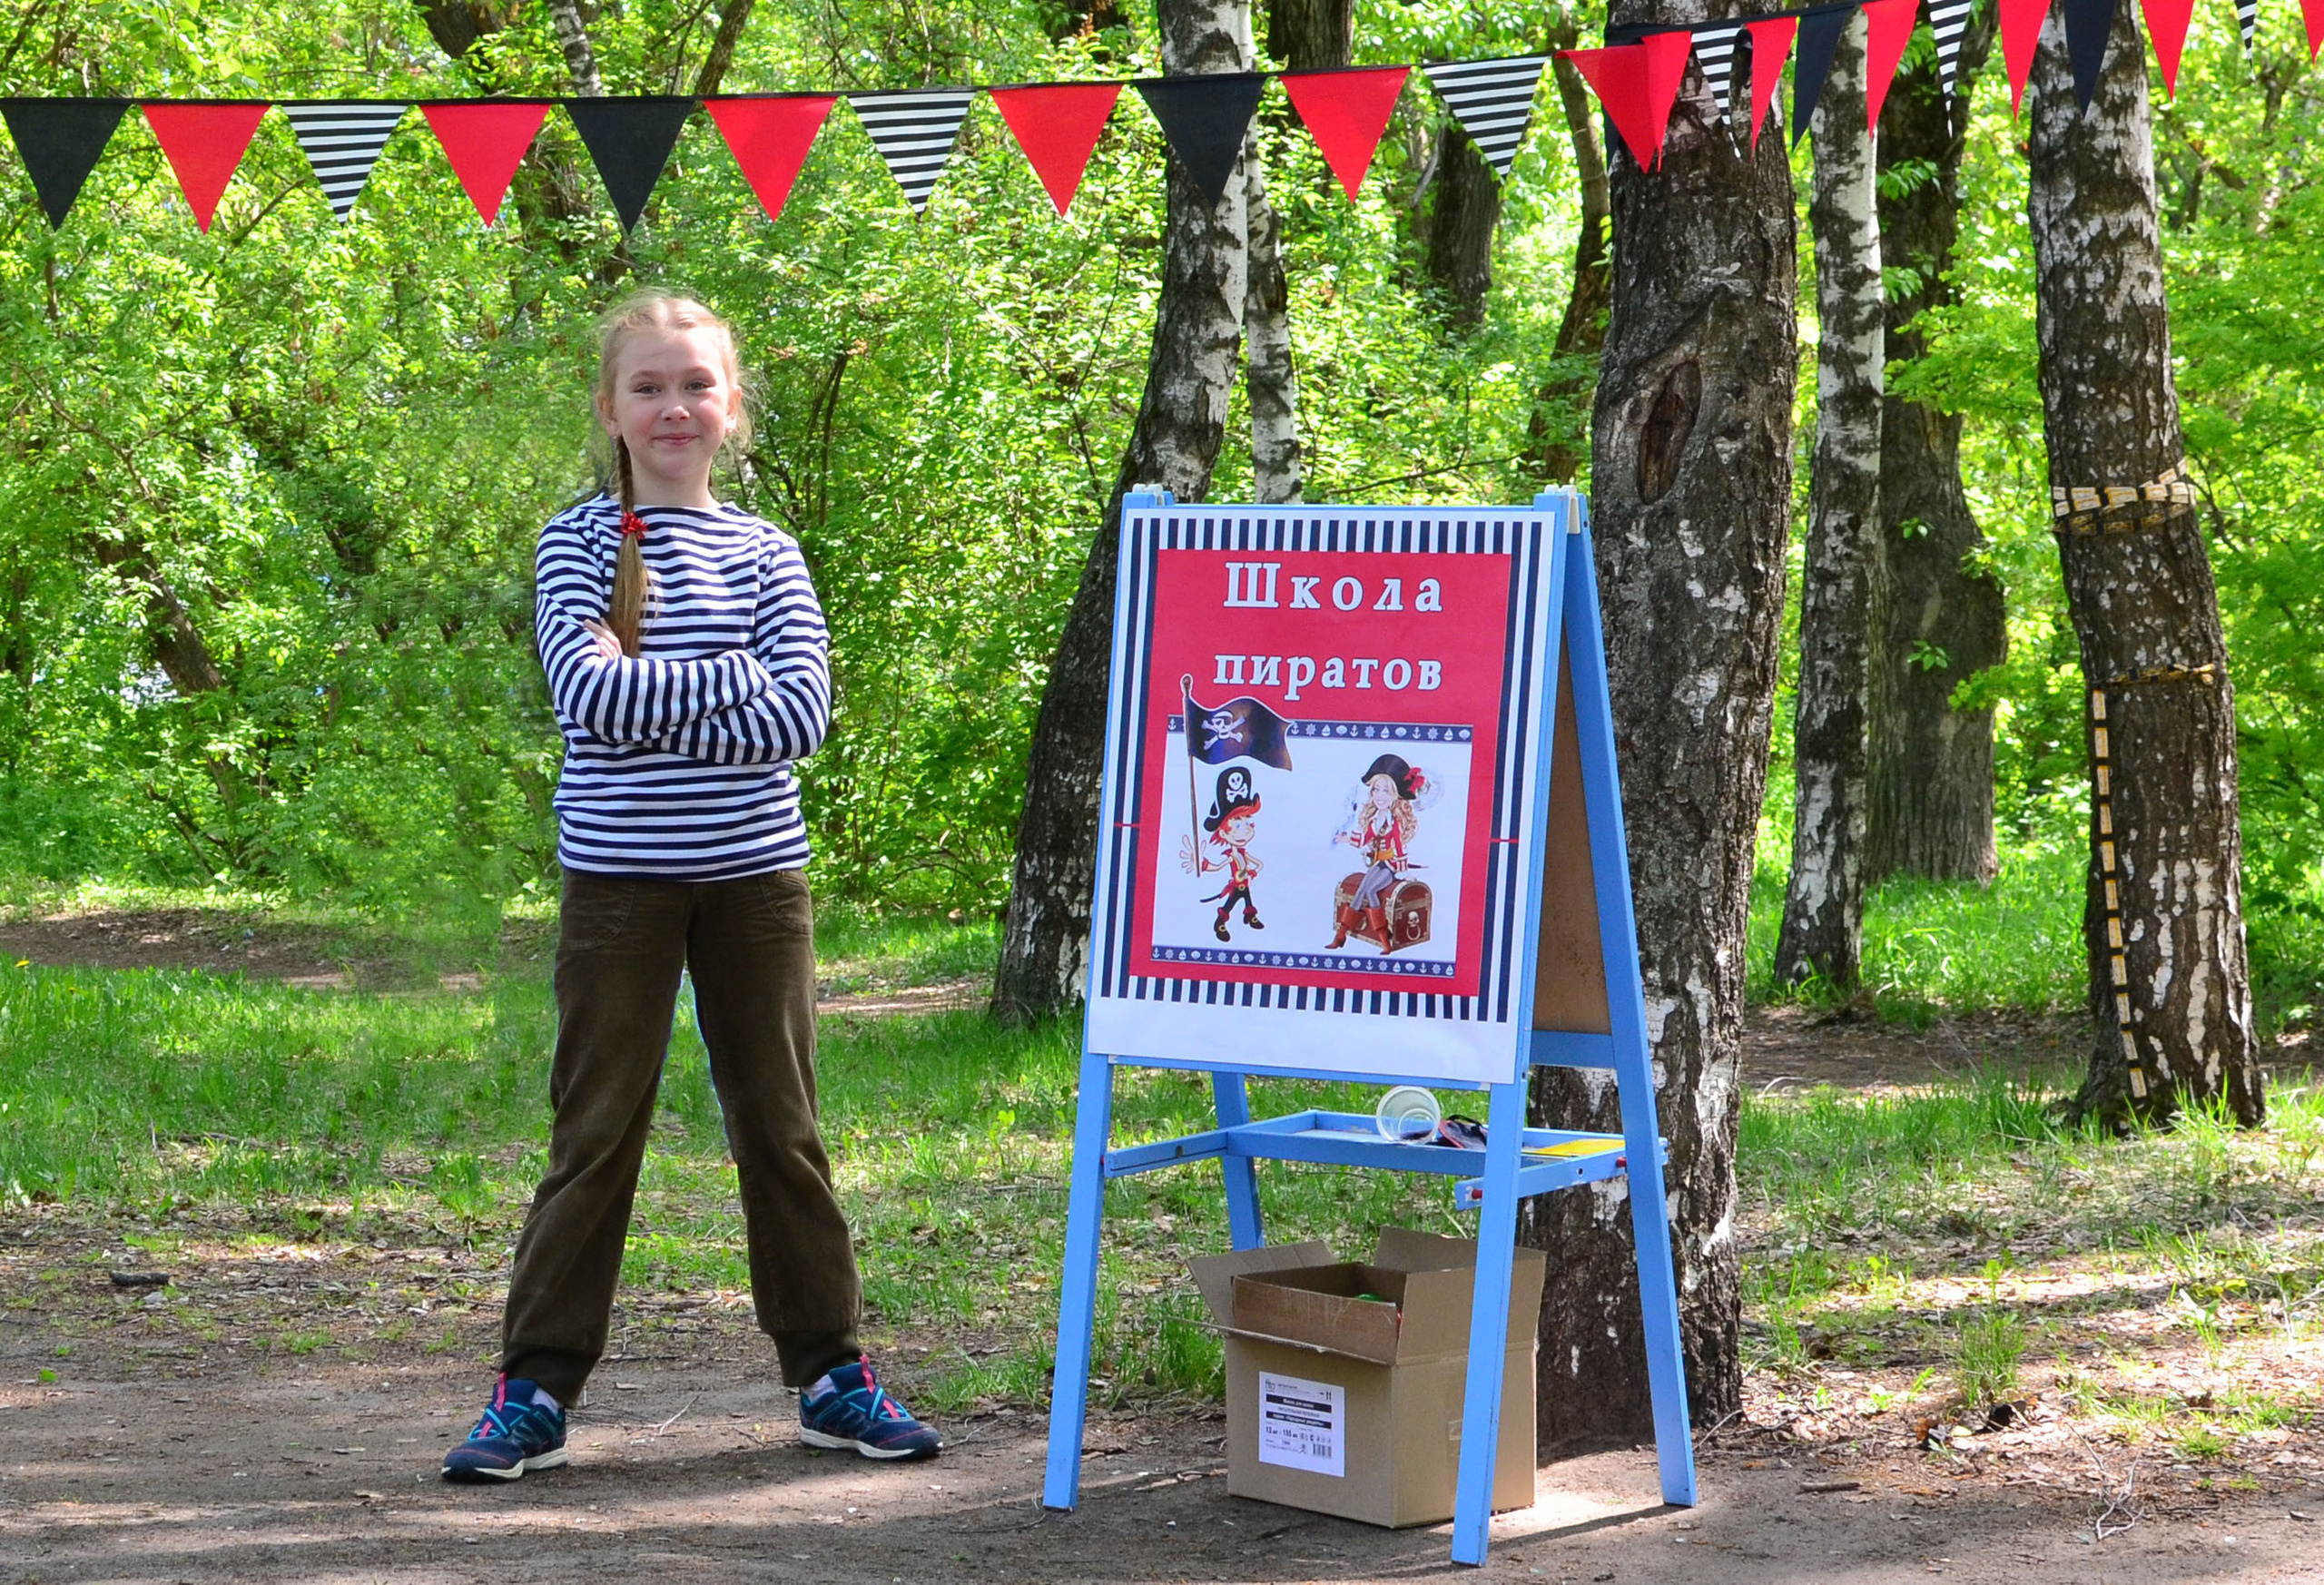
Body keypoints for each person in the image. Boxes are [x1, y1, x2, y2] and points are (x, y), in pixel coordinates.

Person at [441, 290, 939, 1482]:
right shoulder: (578, 542)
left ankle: (829, 1373)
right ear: (610, 408)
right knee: (595, 1128)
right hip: (619, 884)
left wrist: (666, 677)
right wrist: (730, 681)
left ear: (733, 411)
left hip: (759, 883)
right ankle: (535, 1392)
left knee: (784, 1128)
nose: (675, 406)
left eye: (696, 385)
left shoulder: (769, 552)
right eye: (650, 386)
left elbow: (801, 715)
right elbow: (588, 698)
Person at [1329, 753, 1423, 950]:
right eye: (1376, 790)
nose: (1380, 795)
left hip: (1390, 867)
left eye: (1386, 791)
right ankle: (1341, 935)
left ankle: (1383, 940)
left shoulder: (1394, 821)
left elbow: (1398, 847)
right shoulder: (1375, 820)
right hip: (1377, 863)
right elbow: (1365, 840)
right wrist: (1346, 839)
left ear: (1395, 795)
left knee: (1370, 890)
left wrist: (1403, 871)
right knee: (1361, 891)